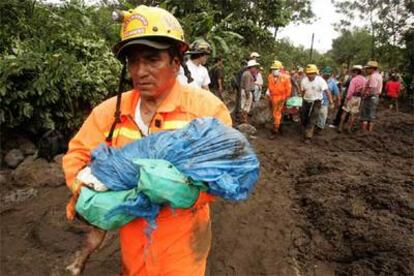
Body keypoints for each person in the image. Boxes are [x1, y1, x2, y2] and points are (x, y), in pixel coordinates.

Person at [62, 5, 231, 275]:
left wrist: (191, 193)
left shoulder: (207, 111)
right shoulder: (110, 112)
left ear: (176, 62)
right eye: (133, 61)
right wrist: (86, 193)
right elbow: (77, 156)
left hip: (183, 246)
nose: (140, 71)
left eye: (152, 59)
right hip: (132, 242)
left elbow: (225, 170)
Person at [300, 64, 332, 141]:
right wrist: (301, 100)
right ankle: (305, 127)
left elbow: (327, 91)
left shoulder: (321, 81)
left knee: (313, 118)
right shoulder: (304, 81)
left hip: (317, 101)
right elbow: (302, 91)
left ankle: (308, 136)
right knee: (304, 116)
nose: (310, 75)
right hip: (306, 100)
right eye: (308, 74)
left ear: (315, 73)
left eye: (312, 73)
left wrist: (331, 101)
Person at [338, 65, 366, 133]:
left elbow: (350, 91)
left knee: (344, 112)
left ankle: (340, 127)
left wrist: (347, 99)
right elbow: (364, 90)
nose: (352, 74)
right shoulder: (364, 79)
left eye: (353, 72)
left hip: (351, 97)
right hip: (358, 98)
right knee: (353, 114)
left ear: (356, 72)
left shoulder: (354, 79)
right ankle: (349, 128)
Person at [266, 60, 291, 137]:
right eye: (273, 69)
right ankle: (278, 127)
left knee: (277, 114)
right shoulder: (270, 77)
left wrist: (285, 99)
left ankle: (275, 130)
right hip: (272, 97)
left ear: (280, 69)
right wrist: (269, 96)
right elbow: (269, 87)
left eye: (275, 69)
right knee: (274, 114)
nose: (274, 71)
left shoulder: (286, 78)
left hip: (281, 98)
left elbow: (288, 89)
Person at [360, 60, 383, 131]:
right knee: (372, 114)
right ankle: (369, 131)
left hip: (370, 97)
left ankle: (363, 131)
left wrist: (365, 95)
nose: (366, 70)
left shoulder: (373, 76)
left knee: (365, 115)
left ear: (372, 68)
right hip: (376, 96)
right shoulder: (379, 76)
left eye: (368, 68)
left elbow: (371, 88)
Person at [317, 66, 339, 131]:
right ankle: (314, 125)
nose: (327, 76)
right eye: (326, 74)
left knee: (323, 115)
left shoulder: (333, 82)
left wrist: (336, 101)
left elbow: (336, 92)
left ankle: (320, 128)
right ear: (323, 73)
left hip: (325, 101)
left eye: (328, 74)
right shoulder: (318, 79)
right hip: (316, 100)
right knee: (315, 114)